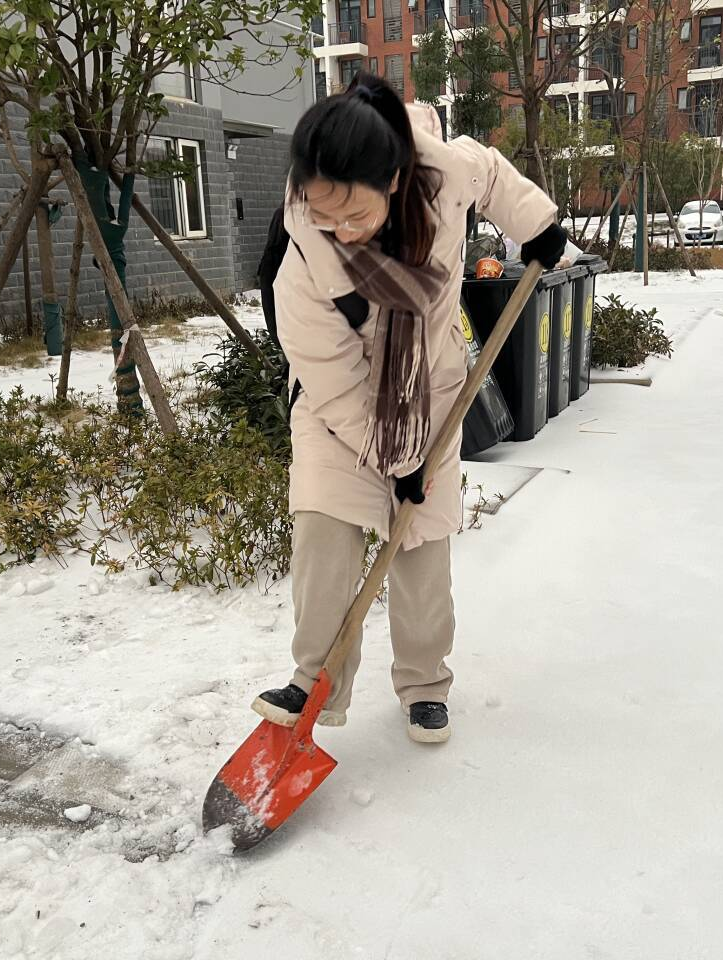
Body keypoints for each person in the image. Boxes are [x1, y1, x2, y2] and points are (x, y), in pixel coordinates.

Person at [252, 74, 566, 743]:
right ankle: (313, 684)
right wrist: (397, 462)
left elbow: (489, 173)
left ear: (394, 180)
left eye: (354, 215)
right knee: (323, 533)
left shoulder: (442, 173)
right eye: (324, 214)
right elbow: (335, 382)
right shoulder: (302, 262)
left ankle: (425, 684)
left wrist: (536, 224)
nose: (340, 232)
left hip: (429, 393)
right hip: (338, 409)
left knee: (421, 548)